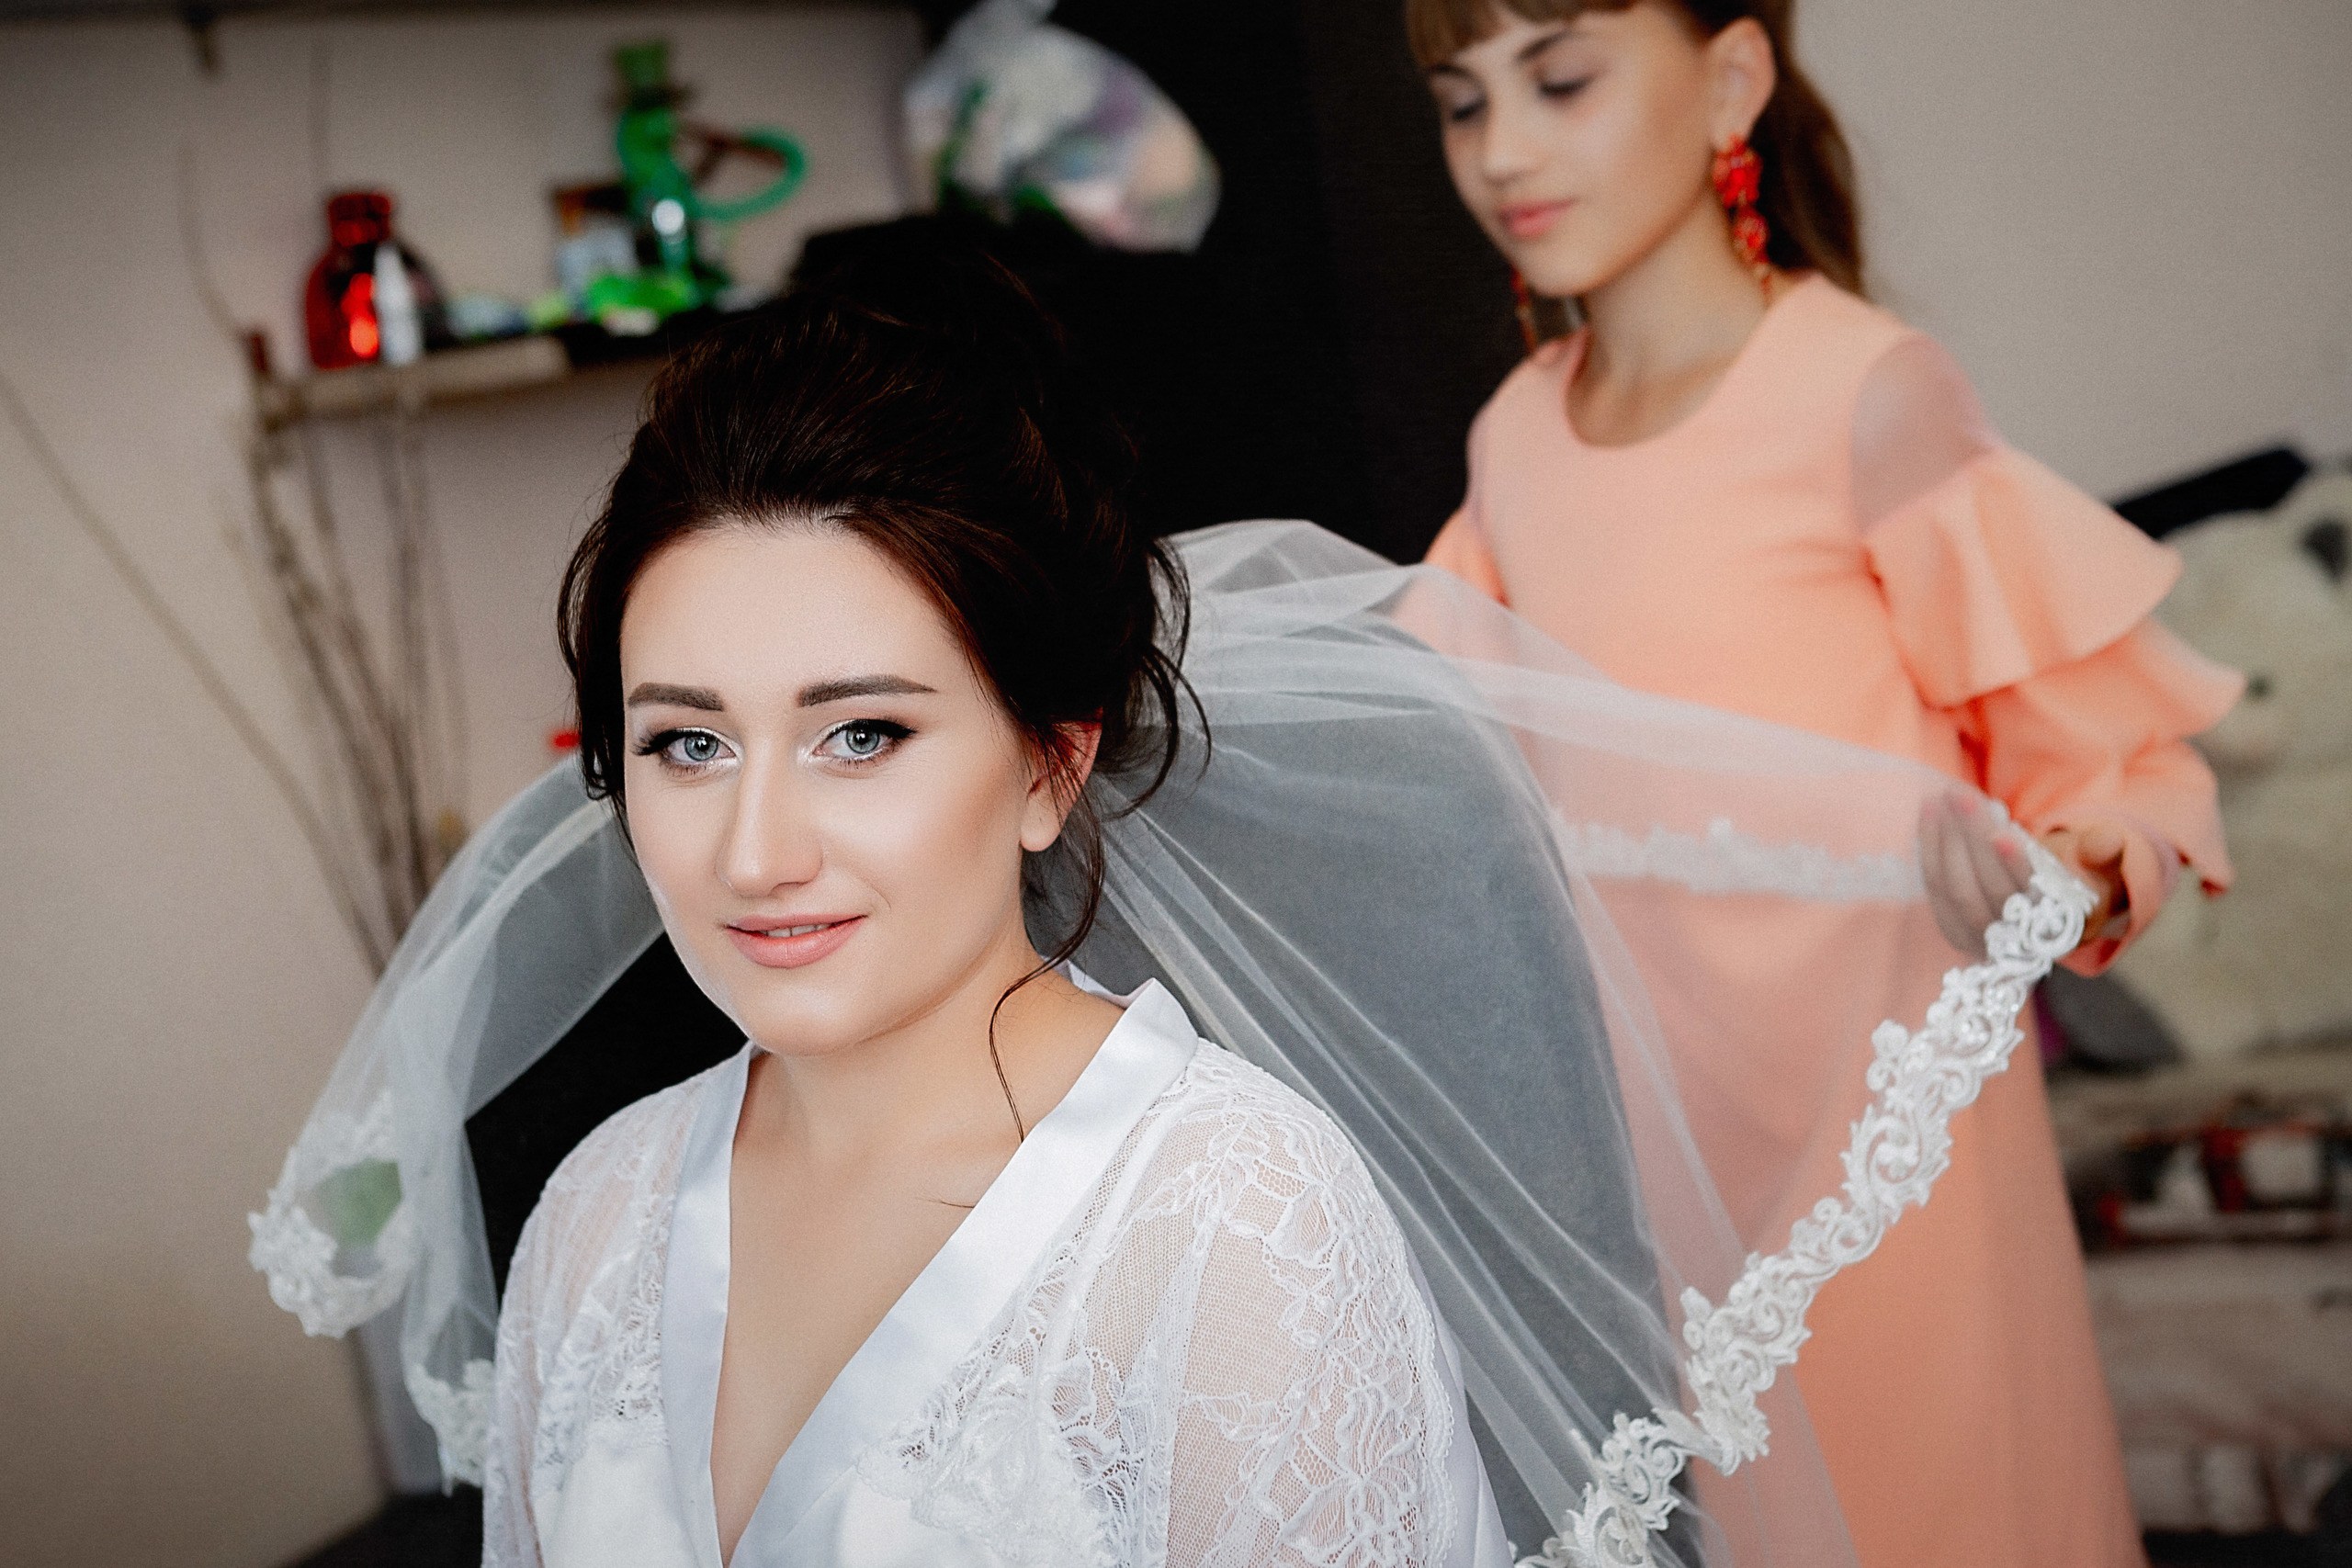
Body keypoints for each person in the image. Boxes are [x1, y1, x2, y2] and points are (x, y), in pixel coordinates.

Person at [252, 246, 2102, 1568]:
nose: (752, 849)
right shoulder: (596, 1214)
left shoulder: (1226, 1221)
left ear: (1049, 762)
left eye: (861, 734)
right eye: (684, 743)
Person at [1408, 3, 2242, 1565]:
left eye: (1562, 79)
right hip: (1661, 1168)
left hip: (1889, 1146)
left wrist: (2058, 868)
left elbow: (2114, 765)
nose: (1503, 151)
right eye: (1463, 103)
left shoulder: (1865, 391)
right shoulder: (1514, 439)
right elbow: (1437, 764)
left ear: (1733, 77)